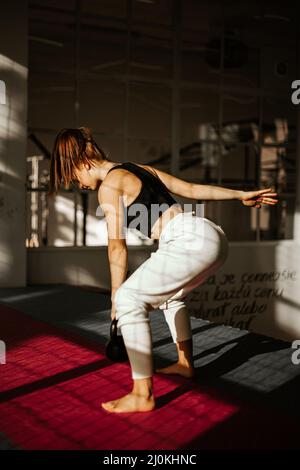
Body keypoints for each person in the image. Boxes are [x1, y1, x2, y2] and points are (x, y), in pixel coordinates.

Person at [49, 127, 278, 414]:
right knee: (171, 295)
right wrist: (240, 195)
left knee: (129, 299)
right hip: (208, 234)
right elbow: (192, 190)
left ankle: (142, 393)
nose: (79, 184)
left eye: (74, 176)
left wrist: (115, 298)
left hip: (188, 240)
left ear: (81, 162)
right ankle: (185, 364)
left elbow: (117, 247)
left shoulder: (109, 187)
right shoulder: (138, 168)